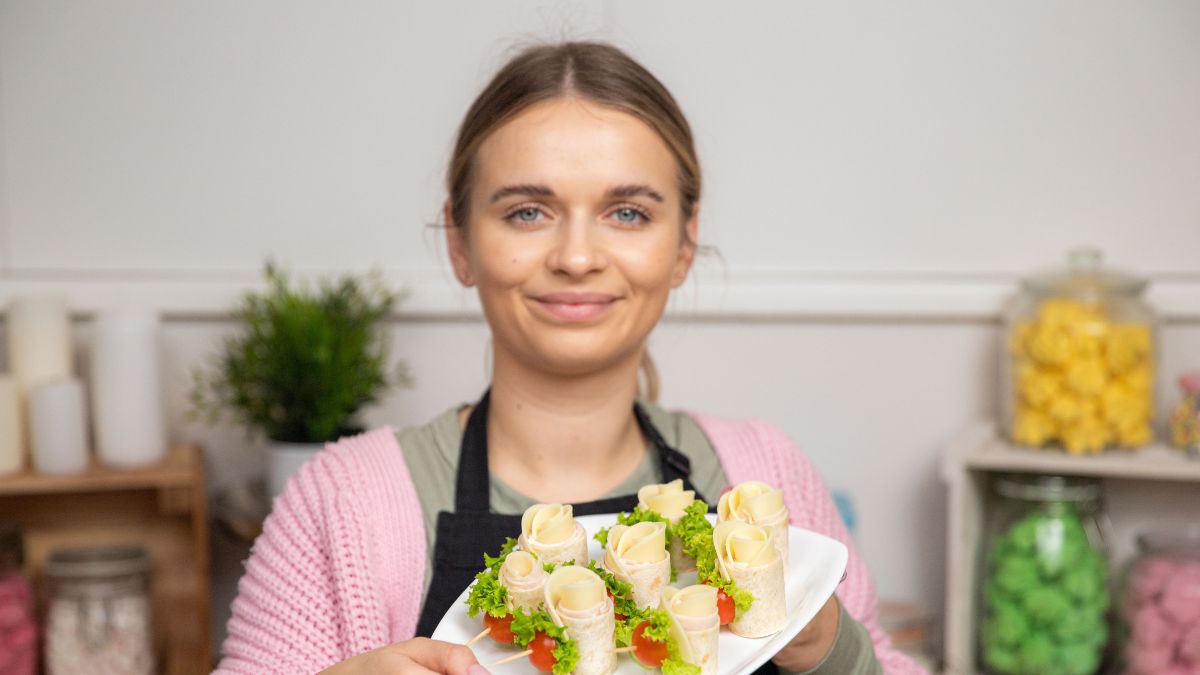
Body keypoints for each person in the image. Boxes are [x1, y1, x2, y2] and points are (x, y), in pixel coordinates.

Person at [214, 40, 927, 675]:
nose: (578, 257)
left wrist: (834, 650)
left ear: (683, 244)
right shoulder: (345, 500)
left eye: (628, 213)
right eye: (527, 211)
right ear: (460, 242)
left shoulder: (763, 471)